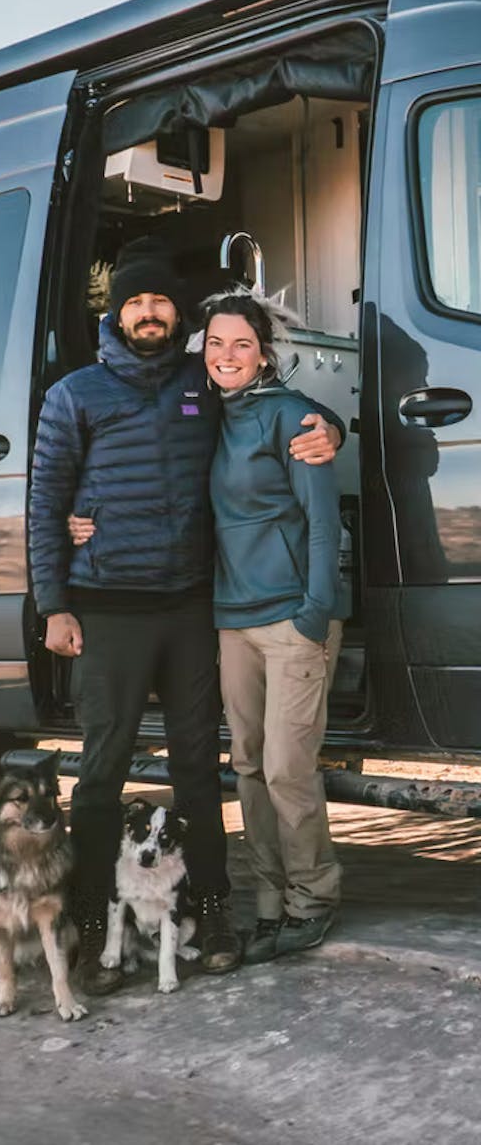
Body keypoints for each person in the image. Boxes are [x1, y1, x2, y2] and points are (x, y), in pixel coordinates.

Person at [28, 236, 341, 995]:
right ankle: (95, 927)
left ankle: (214, 912)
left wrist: (333, 424)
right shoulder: (75, 395)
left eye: (158, 300)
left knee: (201, 770)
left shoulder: (200, 389)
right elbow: (44, 502)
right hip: (109, 609)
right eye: (133, 301)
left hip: (192, 606)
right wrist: (54, 602)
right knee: (101, 771)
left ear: (177, 315)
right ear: (117, 313)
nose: (146, 312)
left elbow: (271, 413)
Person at [203, 290, 345, 963]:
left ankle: (312, 897)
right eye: (215, 344)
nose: (227, 356)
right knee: (252, 766)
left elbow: (324, 523)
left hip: (293, 619)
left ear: (264, 352)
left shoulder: (296, 416)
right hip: (234, 623)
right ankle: (268, 901)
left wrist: (315, 611)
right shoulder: (203, 419)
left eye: (241, 343)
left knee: (290, 767)